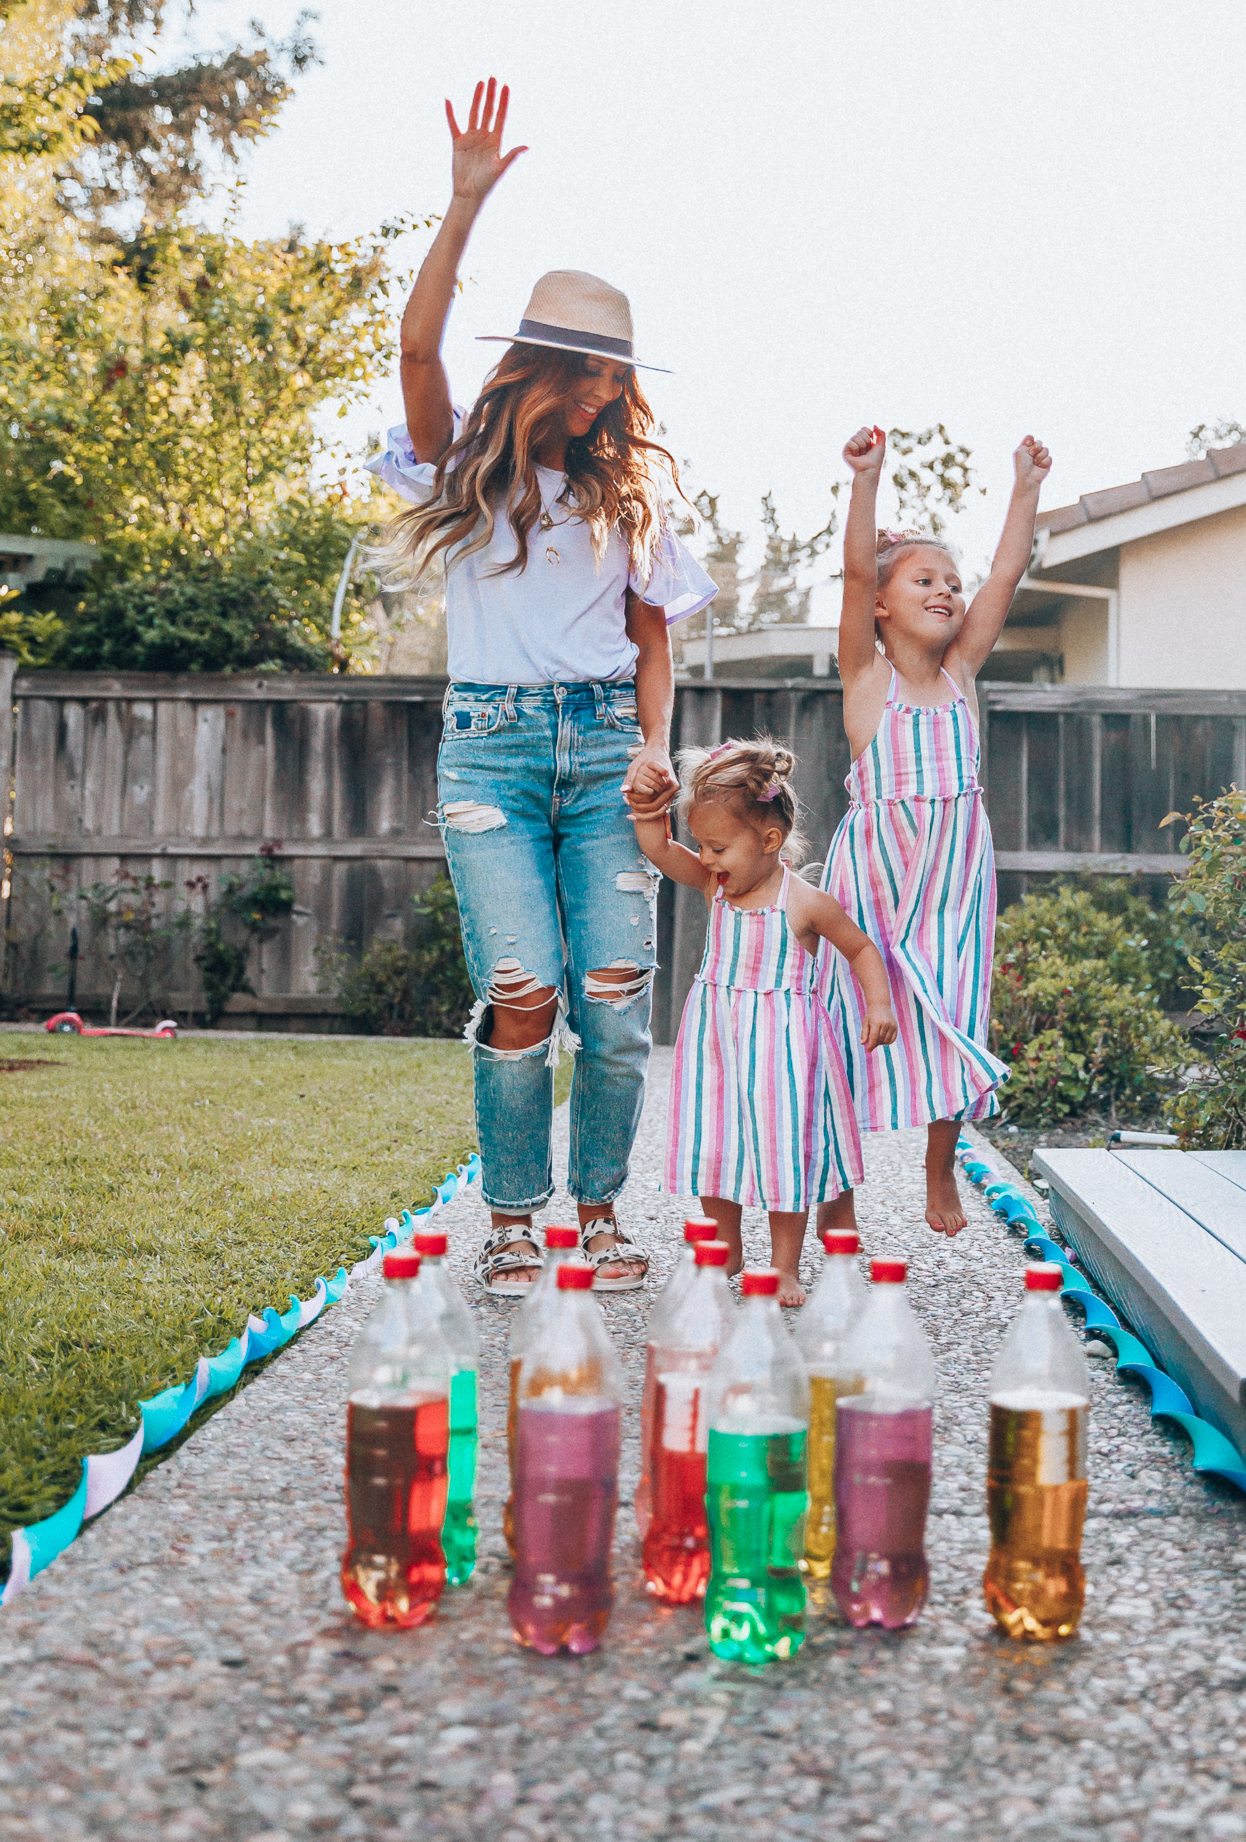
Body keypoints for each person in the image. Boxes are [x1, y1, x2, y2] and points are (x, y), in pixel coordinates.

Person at [373, 77, 715, 1295]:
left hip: (605, 749)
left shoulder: (629, 501)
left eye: (612, 380)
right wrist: (461, 207)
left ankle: (605, 1212)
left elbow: (652, 637)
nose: (598, 397)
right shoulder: (461, 467)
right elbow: (417, 348)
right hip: (493, 753)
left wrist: (655, 746)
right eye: (581, 373)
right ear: (533, 367)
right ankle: (513, 1217)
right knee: (523, 992)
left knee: (617, 1008)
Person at [820, 425, 1052, 1238]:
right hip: (875, 876)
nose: (948, 591)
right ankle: (836, 1191)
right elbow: (855, 569)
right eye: (925, 578)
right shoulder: (866, 675)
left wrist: (1024, 486)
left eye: (952, 582)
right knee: (844, 1024)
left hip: (954, 879)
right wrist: (866, 480)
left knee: (955, 1008)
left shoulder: (960, 675)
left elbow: (1008, 572)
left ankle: (939, 1167)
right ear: (882, 604)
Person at [629, 738, 897, 1305]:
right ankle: (726, 1246)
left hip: (784, 1050)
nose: (705, 858)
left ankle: (784, 1266)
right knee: (713, 1139)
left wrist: (879, 1003)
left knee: (783, 1150)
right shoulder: (715, 885)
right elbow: (659, 850)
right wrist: (649, 811)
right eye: (701, 844)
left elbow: (861, 949)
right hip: (718, 1043)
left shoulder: (805, 903)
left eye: (718, 847)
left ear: (770, 841)